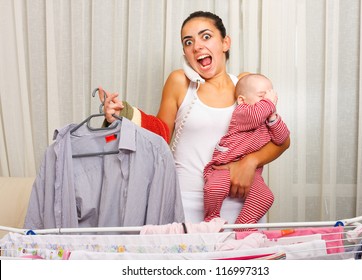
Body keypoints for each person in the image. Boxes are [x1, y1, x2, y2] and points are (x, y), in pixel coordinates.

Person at [99, 11, 290, 224]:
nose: (197, 46)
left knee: (244, 252)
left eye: (206, 37)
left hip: (242, 201)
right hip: (185, 201)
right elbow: (160, 133)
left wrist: (250, 162)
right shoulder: (180, 81)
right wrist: (121, 114)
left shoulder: (246, 85)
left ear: (225, 43)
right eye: (188, 42)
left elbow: (281, 139)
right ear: (185, 53)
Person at [203, 74, 290, 229]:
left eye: (270, 96)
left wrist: (273, 118)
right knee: (214, 188)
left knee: (265, 197)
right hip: (224, 166)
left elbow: (282, 138)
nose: (269, 100)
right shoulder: (242, 113)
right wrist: (269, 103)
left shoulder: (266, 120)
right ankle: (212, 219)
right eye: (262, 96)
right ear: (242, 100)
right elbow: (256, 115)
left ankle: (243, 226)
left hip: (250, 173)